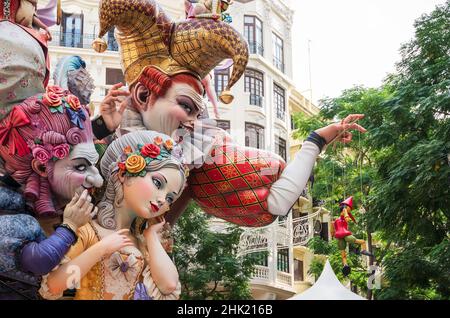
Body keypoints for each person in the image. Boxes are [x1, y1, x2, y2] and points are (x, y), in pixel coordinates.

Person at [93, 0, 367, 228]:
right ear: (143, 96)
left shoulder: (198, 154)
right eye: (186, 107)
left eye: (197, 113)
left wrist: (315, 141)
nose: (192, 122)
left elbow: (275, 203)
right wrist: (100, 128)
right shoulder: (105, 141)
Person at [40, 131, 185, 300]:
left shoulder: (142, 243)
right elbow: (53, 285)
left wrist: (151, 236)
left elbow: (169, 287)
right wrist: (101, 248)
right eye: (157, 183)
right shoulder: (88, 231)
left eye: (170, 198)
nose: (162, 200)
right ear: (124, 174)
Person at [0, 85, 102, 299]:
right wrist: (70, 227)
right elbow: (38, 261)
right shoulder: (11, 215)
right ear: (41, 167)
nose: (98, 180)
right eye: (81, 167)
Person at [331, 196, 374, 276]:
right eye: (349, 209)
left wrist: (333, 234)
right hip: (346, 235)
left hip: (339, 237)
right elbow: (347, 219)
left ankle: (345, 265)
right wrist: (346, 213)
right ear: (345, 209)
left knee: (343, 253)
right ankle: (363, 250)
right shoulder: (343, 216)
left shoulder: (335, 220)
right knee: (362, 241)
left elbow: (332, 231)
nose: (349, 211)